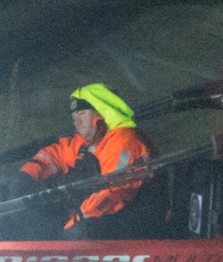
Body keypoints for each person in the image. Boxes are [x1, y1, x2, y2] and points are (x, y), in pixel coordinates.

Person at [15, 83, 152, 236]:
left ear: (100, 111)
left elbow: (112, 193)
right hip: (93, 226)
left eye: (81, 114)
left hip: (125, 232)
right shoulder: (88, 143)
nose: (76, 121)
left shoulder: (124, 142)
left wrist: (72, 224)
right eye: (74, 116)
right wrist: (25, 176)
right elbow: (57, 154)